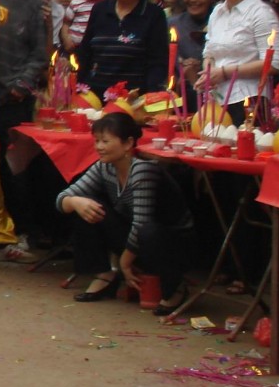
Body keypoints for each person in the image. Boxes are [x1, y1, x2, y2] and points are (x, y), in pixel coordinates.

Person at [57, 112, 193, 316]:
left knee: (148, 231)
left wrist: (124, 263)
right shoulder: (104, 167)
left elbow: (141, 223)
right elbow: (62, 199)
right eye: (96, 141)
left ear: (128, 143)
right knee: (86, 206)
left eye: (105, 141)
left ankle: (176, 287)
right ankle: (105, 275)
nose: (99, 147)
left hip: (170, 242)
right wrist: (75, 201)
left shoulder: (143, 170)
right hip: (136, 239)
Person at [0, 0, 48, 258]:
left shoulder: (36, 4)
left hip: (16, 98)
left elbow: (40, 54)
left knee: (16, 169)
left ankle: (23, 232)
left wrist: (20, 86)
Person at [203, 0, 279, 122]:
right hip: (217, 99)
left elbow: (273, 63)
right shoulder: (216, 12)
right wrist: (208, 73)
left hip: (250, 99)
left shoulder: (261, 12)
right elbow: (209, 53)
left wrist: (225, 72)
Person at [171, 0, 215, 111]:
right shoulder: (172, 24)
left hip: (216, 100)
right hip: (179, 101)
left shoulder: (220, 22)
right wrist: (182, 67)